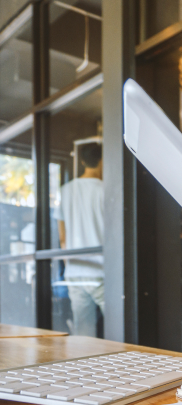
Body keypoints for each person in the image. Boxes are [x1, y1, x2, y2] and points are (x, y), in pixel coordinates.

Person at [55, 142, 104, 337]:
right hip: (102, 271)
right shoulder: (106, 189)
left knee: (84, 334)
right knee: (120, 329)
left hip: (75, 271)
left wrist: (69, 267)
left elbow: (62, 236)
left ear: (83, 161)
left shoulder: (66, 190)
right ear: (102, 160)